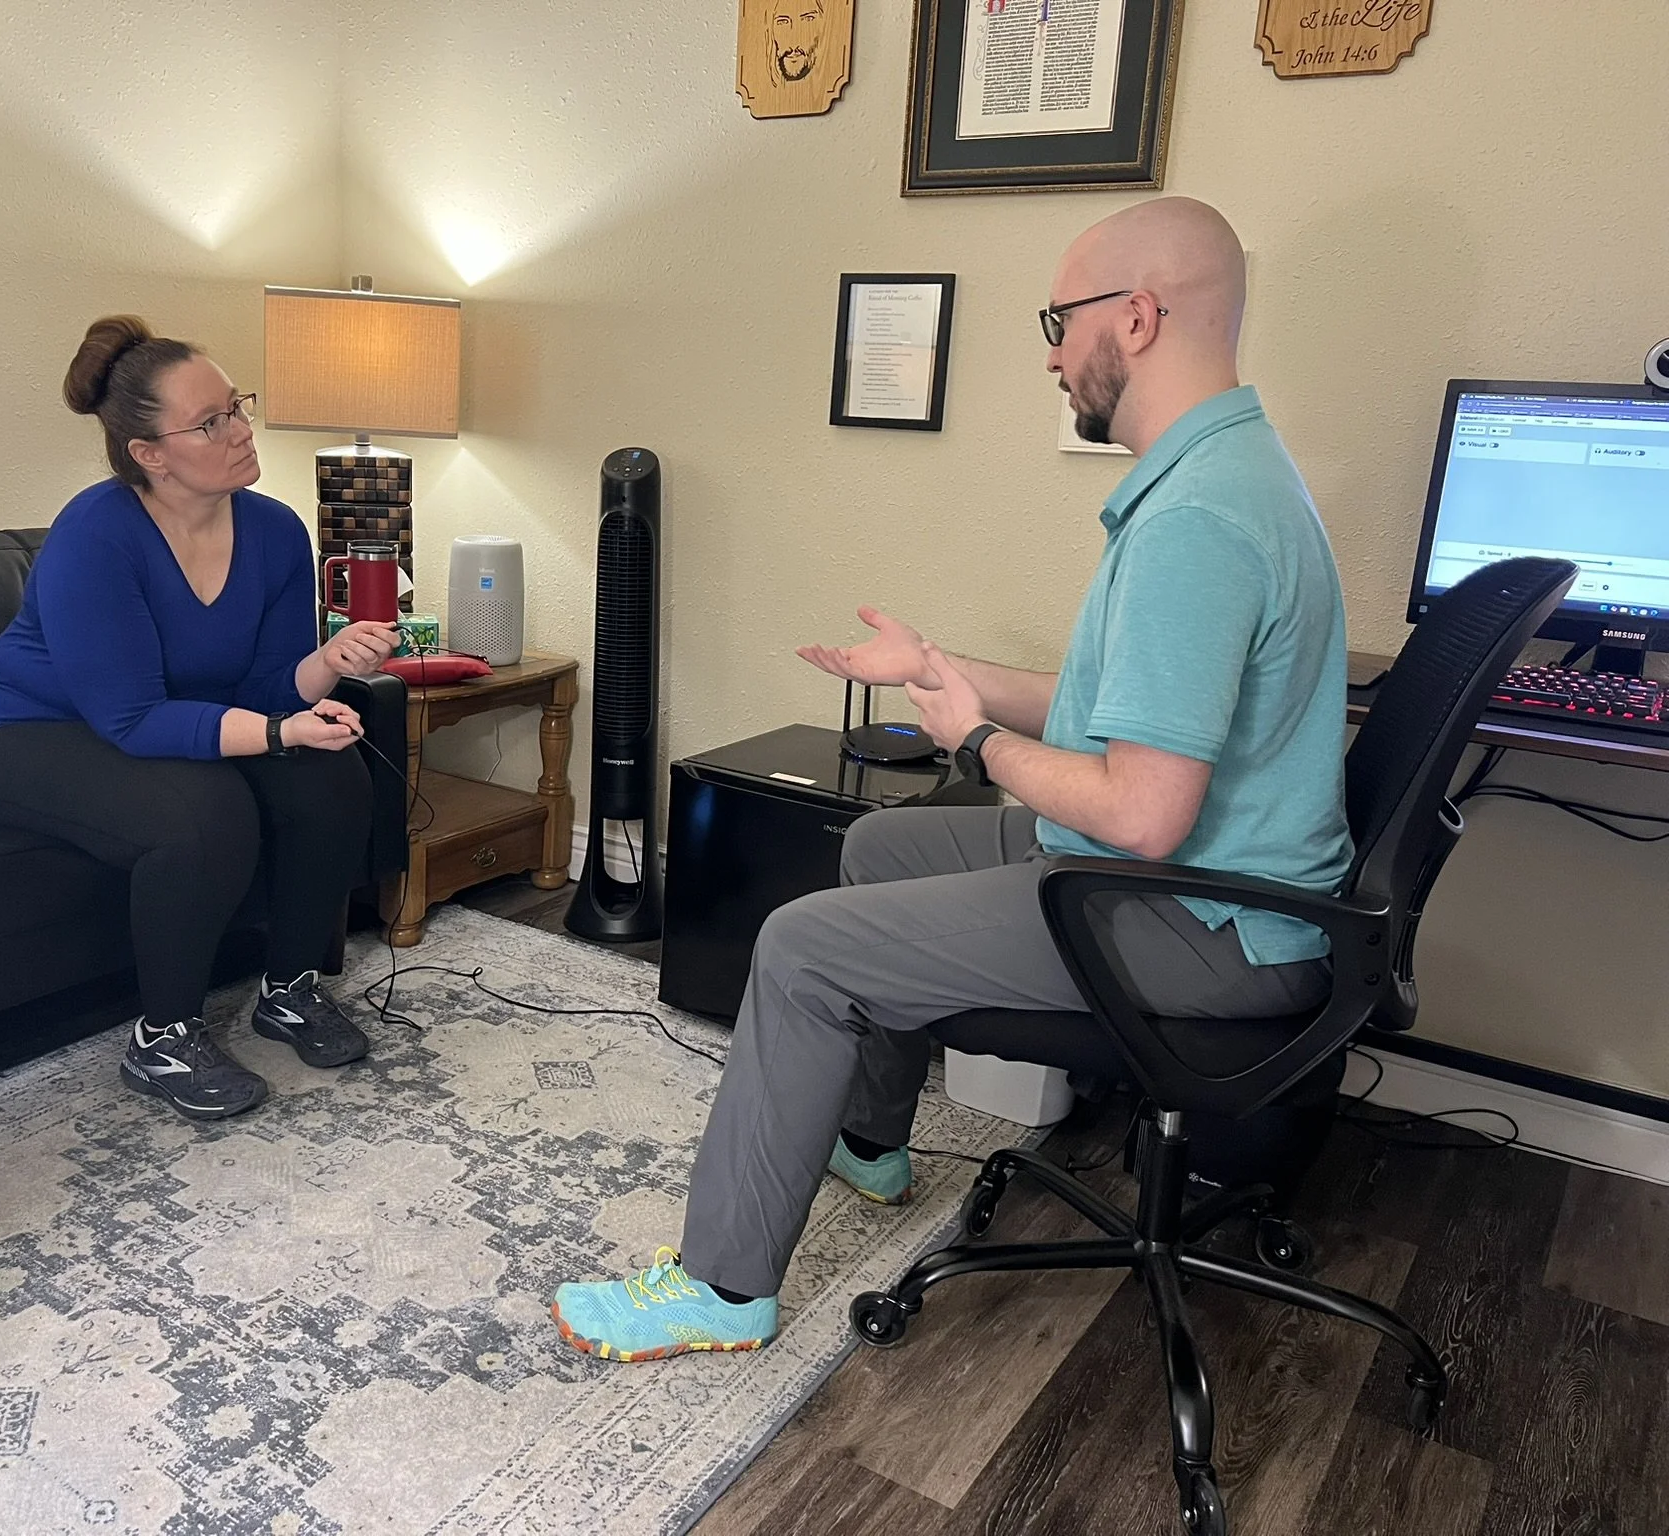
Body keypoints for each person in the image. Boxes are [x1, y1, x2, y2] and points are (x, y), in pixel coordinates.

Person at [551, 198, 1354, 1360]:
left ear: (1134, 319)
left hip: (1204, 919)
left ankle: (719, 1292)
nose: (1049, 353)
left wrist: (973, 741)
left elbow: (1141, 814)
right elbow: (1117, 709)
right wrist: (937, 669)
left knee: (803, 948)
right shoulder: (1224, 473)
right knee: (882, 846)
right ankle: (869, 1141)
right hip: (1221, 887)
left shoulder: (1198, 522)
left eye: (1058, 320)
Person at [0, 315, 402, 1123]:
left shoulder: (274, 529)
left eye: (238, 406)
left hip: (160, 717)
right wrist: (277, 731)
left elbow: (268, 684)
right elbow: (131, 718)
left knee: (332, 776)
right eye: (211, 421)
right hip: (24, 730)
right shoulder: (95, 533)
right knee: (201, 813)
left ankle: (289, 990)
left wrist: (329, 664)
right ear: (149, 454)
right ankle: (162, 1039)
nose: (241, 430)